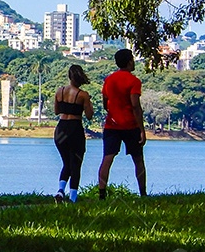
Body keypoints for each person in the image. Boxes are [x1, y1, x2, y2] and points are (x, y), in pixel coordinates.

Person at [99, 49, 147, 198]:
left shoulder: (109, 79)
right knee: (138, 159)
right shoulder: (134, 81)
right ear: (129, 61)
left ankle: (102, 193)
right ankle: (143, 193)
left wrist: (113, 111)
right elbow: (135, 105)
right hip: (130, 125)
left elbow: (105, 102)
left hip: (112, 125)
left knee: (107, 158)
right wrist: (142, 129)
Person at [53, 64, 93, 203]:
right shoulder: (83, 95)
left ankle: (60, 190)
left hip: (60, 130)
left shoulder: (60, 91)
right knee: (76, 164)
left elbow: (56, 111)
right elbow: (89, 115)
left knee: (66, 163)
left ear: (69, 76)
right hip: (75, 129)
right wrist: (88, 103)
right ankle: (73, 197)